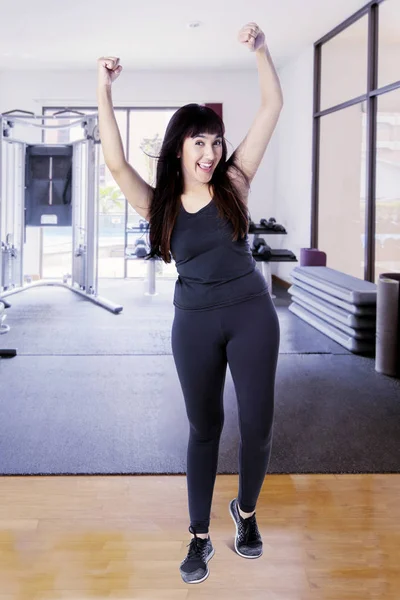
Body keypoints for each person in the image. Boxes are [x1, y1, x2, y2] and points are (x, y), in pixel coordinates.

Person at [97, 21, 283, 585]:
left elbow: (273, 104)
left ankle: (245, 515)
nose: (211, 151)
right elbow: (114, 163)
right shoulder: (158, 206)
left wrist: (261, 50)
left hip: (252, 312)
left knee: (258, 426)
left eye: (215, 140)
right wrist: (104, 91)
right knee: (205, 427)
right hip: (195, 323)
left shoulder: (237, 180)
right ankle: (199, 537)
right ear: (180, 146)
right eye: (199, 141)